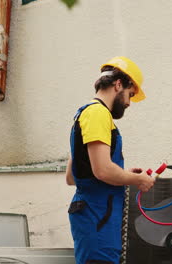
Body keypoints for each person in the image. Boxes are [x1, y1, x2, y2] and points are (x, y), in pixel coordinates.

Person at [65, 56, 156, 264]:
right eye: (130, 95)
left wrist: (124, 175)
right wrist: (138, 180)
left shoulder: (84, 115)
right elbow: (103, 171)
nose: (129, 103)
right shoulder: (98, 113)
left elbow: (73, 177)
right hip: (98, 219)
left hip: (94, 217)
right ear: (118, 85)